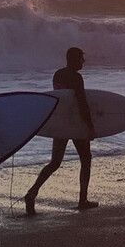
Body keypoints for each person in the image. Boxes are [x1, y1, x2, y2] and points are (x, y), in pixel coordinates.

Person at [24, 45, 99, 215]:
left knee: (55, 162)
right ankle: (83, 199)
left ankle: (32, 193)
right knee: (86, 159)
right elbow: (81, 102)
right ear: (74, 59)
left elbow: (59, 99)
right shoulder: (77, 78)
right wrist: (90, 126)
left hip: (61, 123)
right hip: (75, 123)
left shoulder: (58, 74)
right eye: (81, 58)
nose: (84, 61)